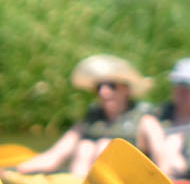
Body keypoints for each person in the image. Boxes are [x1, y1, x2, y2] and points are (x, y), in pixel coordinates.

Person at [13, 55, 156, 177]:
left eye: (112, 86)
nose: (104, 92)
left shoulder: (146, 121)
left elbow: (162, 157)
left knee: (103, 146)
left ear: (126, 89)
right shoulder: (89, 121)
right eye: (99, 87)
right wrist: (17, 170)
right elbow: (55, 155)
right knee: (85, 147)